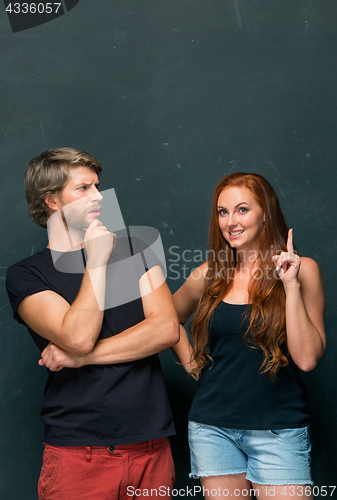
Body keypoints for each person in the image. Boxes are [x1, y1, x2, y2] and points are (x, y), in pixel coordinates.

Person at [6, 148, 179, 500]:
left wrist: (80, 358)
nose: (99, 196)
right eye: (83, 188)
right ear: (52, 200)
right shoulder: (26, 274)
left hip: (151, 450)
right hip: (78, 455)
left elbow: (166, 329)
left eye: (97, 186)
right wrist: (96, 259)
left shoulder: (135, 250)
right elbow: (78, 336)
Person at [171, 173, 325, 500]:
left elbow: (308, 359)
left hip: (278, 430)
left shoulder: (303, 269)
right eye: (222, 212)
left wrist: (290, 286)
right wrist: (191, 363)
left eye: (242, 209)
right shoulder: (209, 274)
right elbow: (165, 322)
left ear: (265, 213)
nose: (231, 221)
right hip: (213, 429)